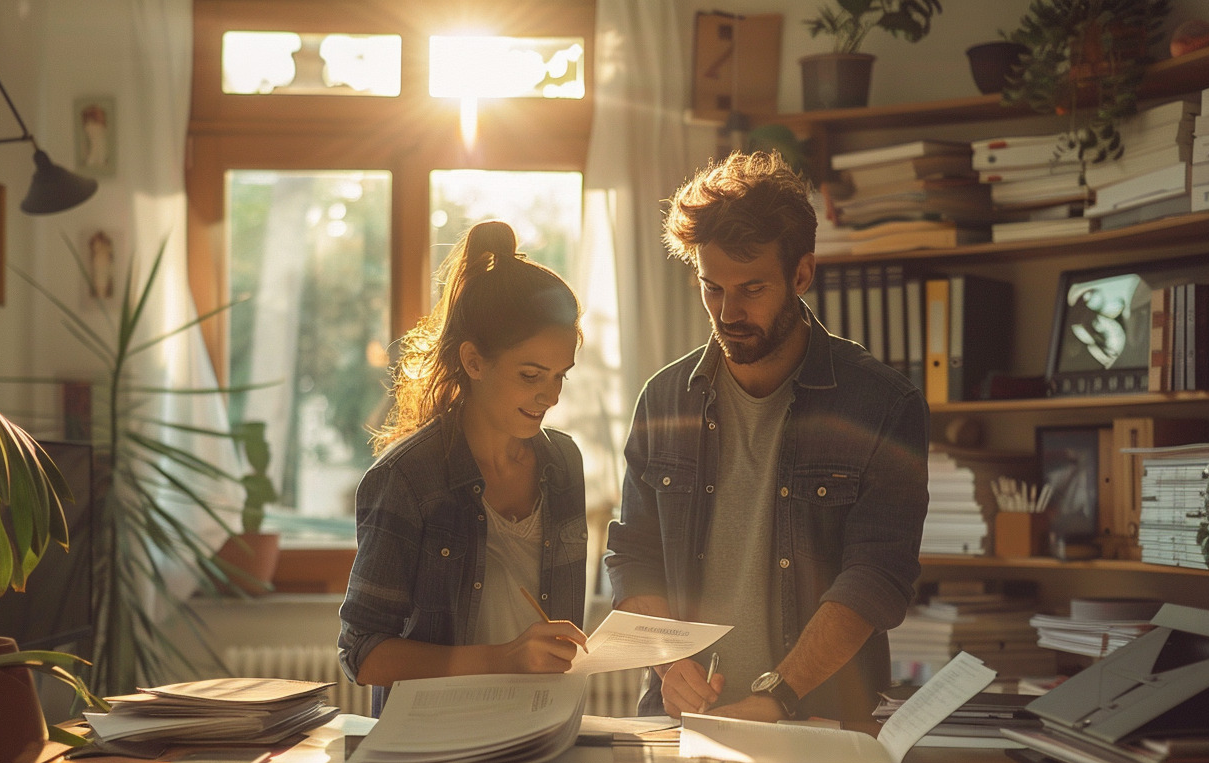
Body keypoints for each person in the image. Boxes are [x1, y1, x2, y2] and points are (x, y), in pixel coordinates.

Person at [605, 150, 929, 724]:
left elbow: (877, 576)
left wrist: (777, 697)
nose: (728, 312)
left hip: (821, 721)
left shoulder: (883, 406)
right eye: (712, 288)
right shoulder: (663, 401)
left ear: (801, 274)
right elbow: (634, 554)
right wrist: (667, 666)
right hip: (677, 722)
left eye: (752, 289)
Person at [338, 220, 588, 716]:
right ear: (473, 361)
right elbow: (363, 655)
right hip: (433, 744)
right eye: (531, 375)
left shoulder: (563, 464)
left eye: (561, 375)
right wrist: (503, 659)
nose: (551, 395)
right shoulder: (408, 479)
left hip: (540, 729)